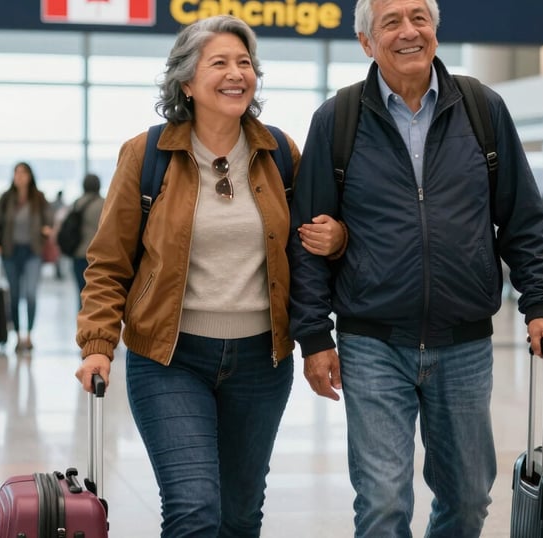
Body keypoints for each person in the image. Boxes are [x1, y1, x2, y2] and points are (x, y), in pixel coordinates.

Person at [287, 1, 543, 536]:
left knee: (467, 498)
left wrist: (541, 303)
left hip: (463, 342)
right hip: (372, 341)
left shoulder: (482, 108)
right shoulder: (337, 119)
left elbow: (523, 218)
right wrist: (315, 336)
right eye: (391, 22)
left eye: (420, 18)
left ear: (436, 31)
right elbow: (308, 239)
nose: (409, 31)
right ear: (368, 43)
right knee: (384, 503)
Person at [73, 15, 345, 537]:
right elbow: (108, 262)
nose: (236, 73)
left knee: (240, 516)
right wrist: (98, 342)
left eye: (244, 63)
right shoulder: (146, 155)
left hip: (261, 362)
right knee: (194, 507)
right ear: (186, 82)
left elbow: (313, 244)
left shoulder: (280, 153)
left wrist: (339, 238)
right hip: (170, 358)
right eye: (218, 62)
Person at [0, 162, 53, 353]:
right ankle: (17, 335)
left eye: (23, 173)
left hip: (32, 251)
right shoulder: (7, 198)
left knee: (31, 294)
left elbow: (49, 218)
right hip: (11, 252)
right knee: (15, 295)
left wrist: (47, 229)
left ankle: (29, 335)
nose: (20, 177)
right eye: (17, 173)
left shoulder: (39, 198)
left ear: (30, 176)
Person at [69, 173, 105, 302]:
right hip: (98, 255)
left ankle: (81, 320)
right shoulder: (105, 204)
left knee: (81, 292)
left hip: (78, 253)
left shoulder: (76, 203)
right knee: (97, 294)